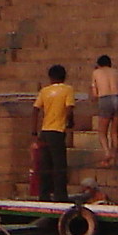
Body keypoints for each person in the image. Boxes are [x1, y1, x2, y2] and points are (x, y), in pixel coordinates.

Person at [32, 64, 76, 201]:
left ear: (50, 77)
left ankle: (43, 195)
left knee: (45, 165)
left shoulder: (44, 91)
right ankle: (60, 196)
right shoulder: (68, 89)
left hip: (44, 132)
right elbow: (69, 108)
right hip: (57, 131)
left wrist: (34, 131)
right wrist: (69, 122)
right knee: (59, 165)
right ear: (64, 77)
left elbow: (35, 110)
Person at [90, 53, 118, 163]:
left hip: (105, 99)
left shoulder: (96, 72)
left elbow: (95, 94)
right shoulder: (117, 72)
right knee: (115, 132)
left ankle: (107, 153)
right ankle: (115, 155)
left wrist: (94, 101)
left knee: (102, 132)